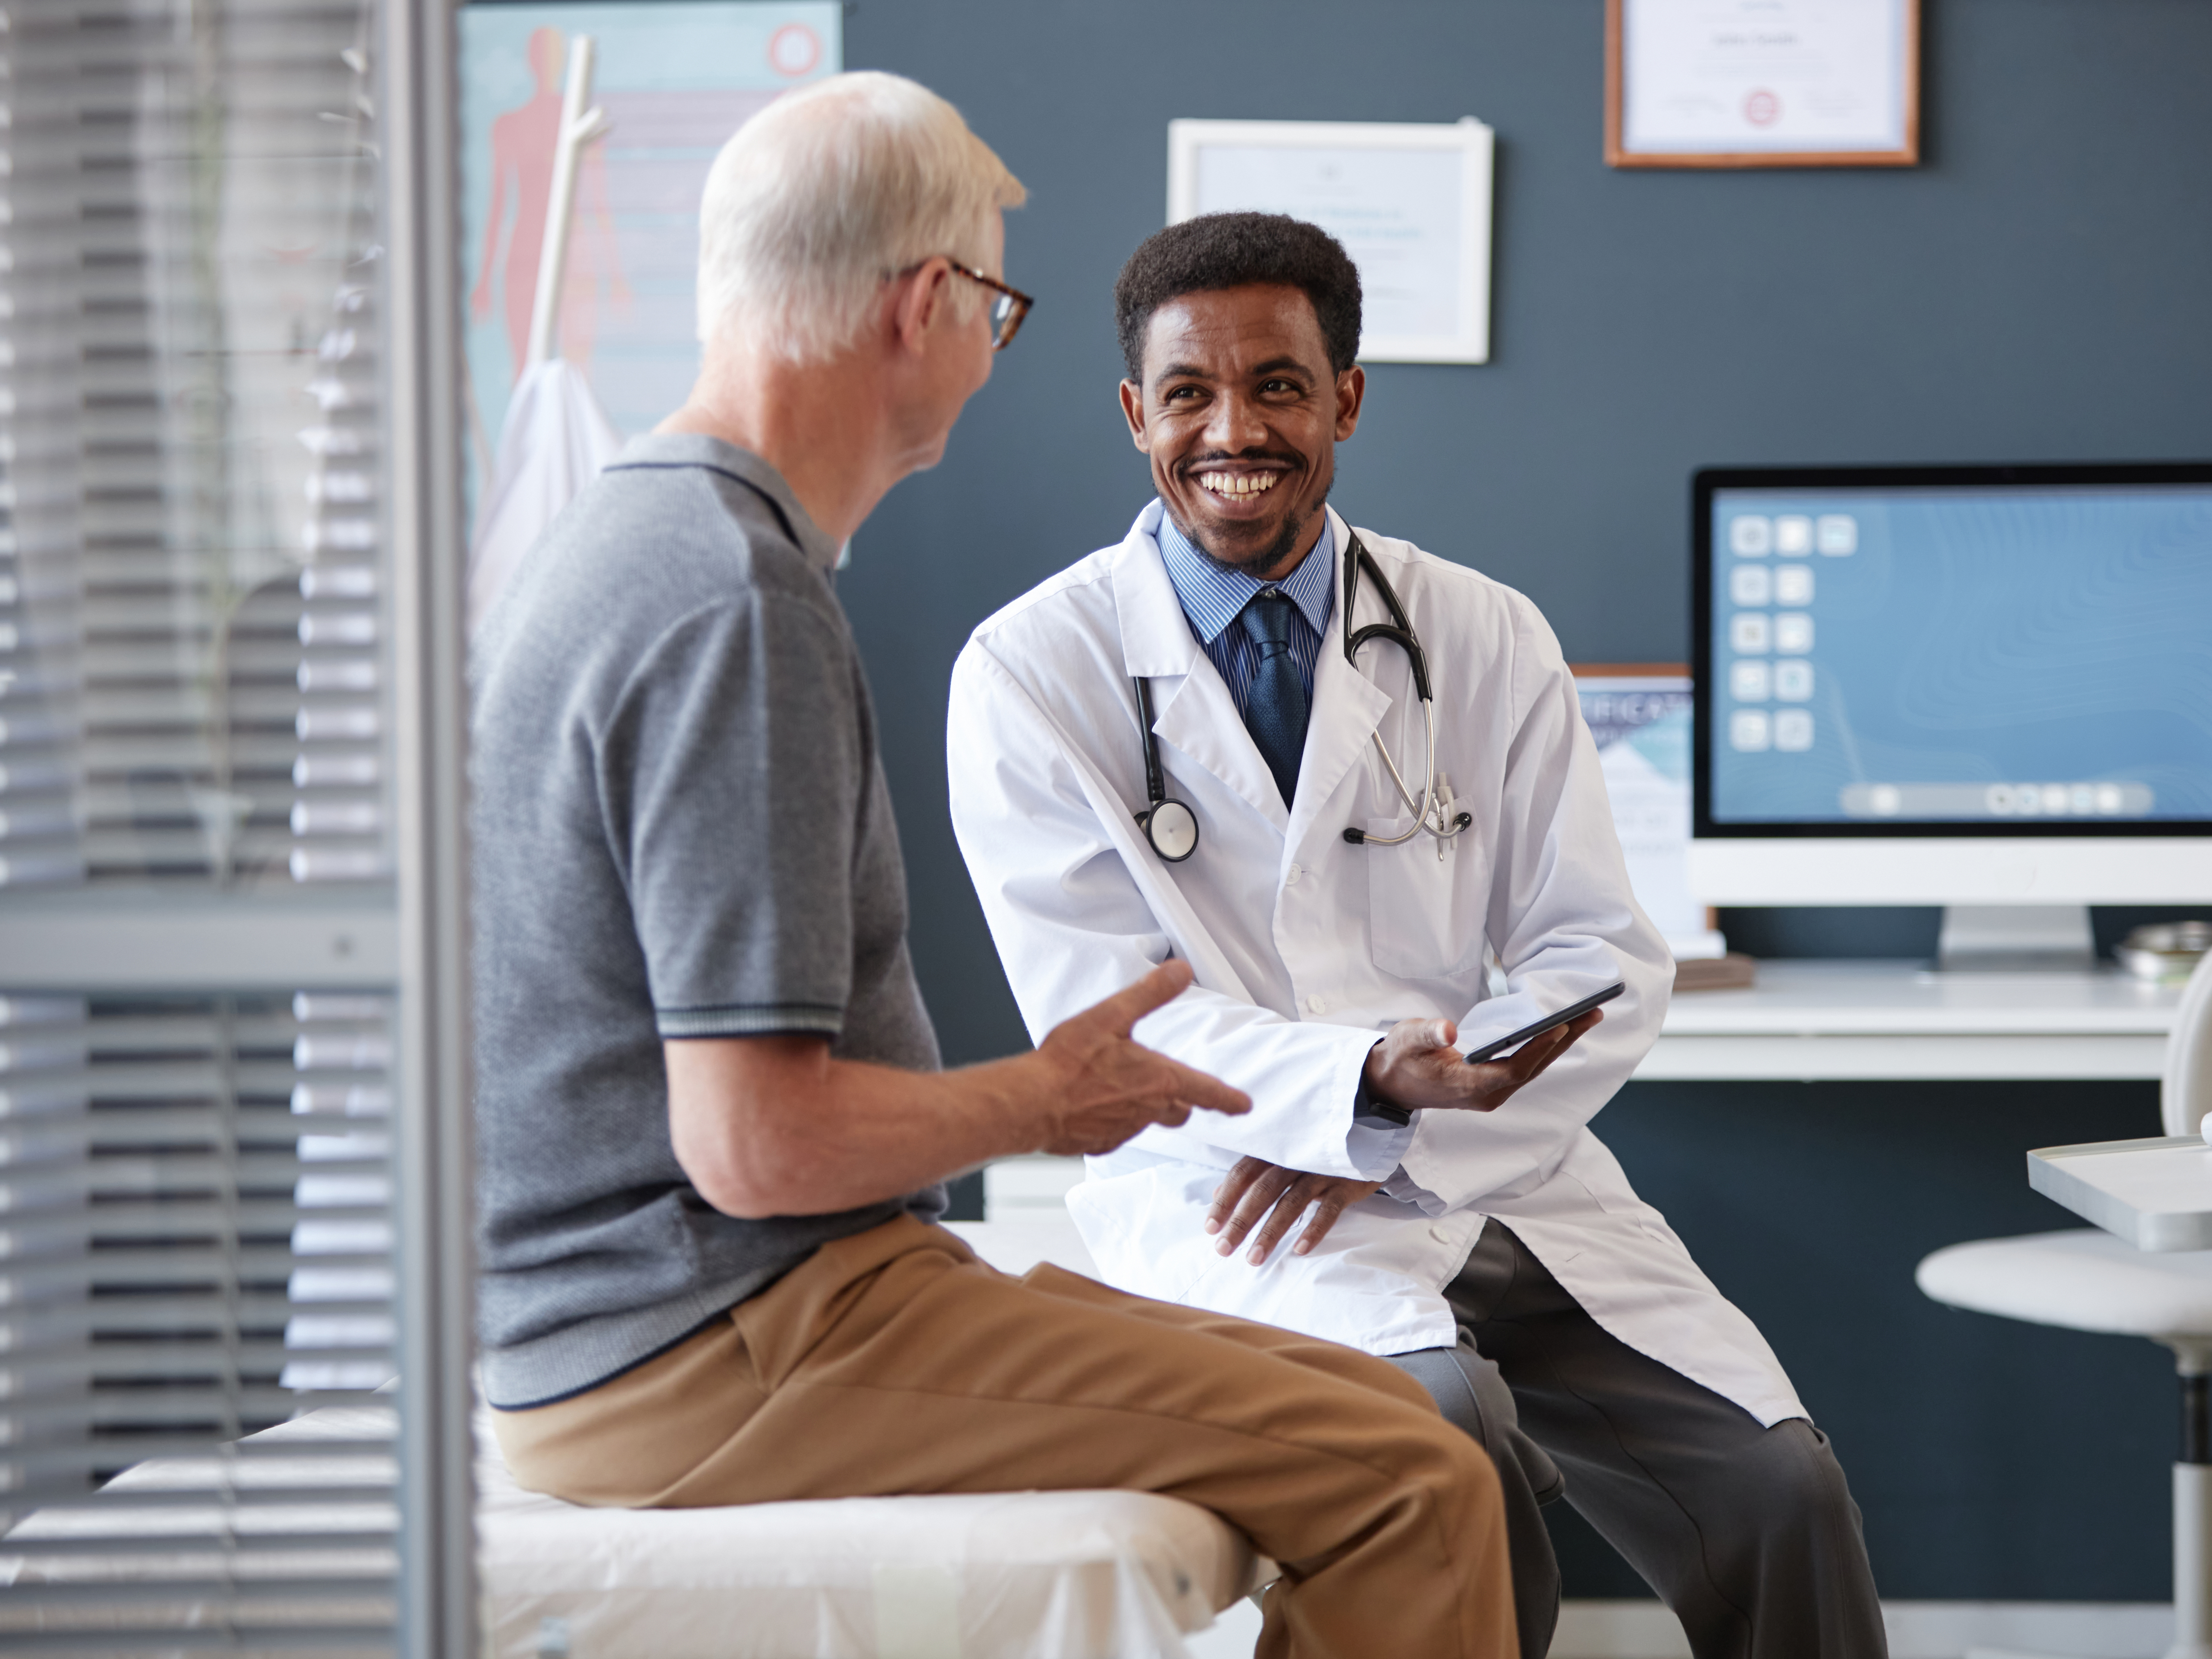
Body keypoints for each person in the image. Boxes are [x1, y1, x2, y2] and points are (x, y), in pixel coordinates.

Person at [470, 75, 1519, 1659]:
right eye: (999, 308)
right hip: (703, 1342)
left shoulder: (656, 543)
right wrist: (1052, 1099)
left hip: (713, 1307)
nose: (990, 351)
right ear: (927, 303)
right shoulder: (730, 603)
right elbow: (754, 1145)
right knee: (1416, 1482)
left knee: (1377, 1406)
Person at [946, 211, 1888, 1659]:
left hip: (1500, 1179)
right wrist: (1348, 1092)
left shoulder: (1485, 632)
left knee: (1779, 1483)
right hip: (1232, 1195)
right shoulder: (1031, 670)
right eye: (1189, 391)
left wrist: (1405, 1116)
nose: (1233, 428)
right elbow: (1107, 1023)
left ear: (1347, 400)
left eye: (1277, 384)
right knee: (1452, 1451)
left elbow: (1600, 959)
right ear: (1137, 412)